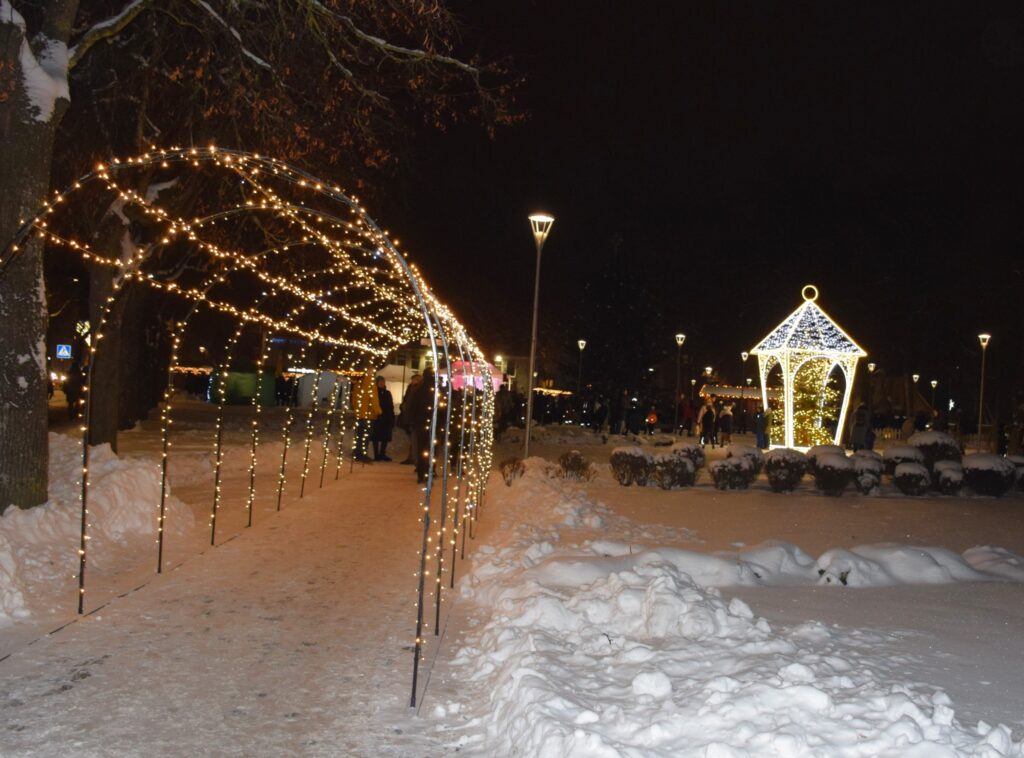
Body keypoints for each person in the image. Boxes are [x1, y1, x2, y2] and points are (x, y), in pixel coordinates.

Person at [352, 370, 381, 462]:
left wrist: (357, 409)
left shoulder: (358, 384)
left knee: (359, 435)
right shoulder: (372, 385)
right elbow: (374, 400)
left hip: (360, 414)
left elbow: (354, 399)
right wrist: (378, 411)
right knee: (366, 436)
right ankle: (362, 454)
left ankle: (357, 453)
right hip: (369, 415)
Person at [397, 373, 422, 464]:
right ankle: (412, 457)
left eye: (414, 380)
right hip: (408, 416)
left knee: (414, 439)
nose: (412, 382)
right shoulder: (410, 389)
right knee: (412, 438)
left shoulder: (417, 390)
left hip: (414, 418)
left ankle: (414, 458)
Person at [371, 376, 395, 461]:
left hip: (386, 417)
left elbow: (391, 405)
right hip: (377, 417)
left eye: (383, 382)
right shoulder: (374, 392)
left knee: (385, 436)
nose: (382, 383)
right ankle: (376, 455)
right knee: (376, 437)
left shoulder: (387, 393)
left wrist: (392, 416)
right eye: (380, 382)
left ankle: (382, 453)